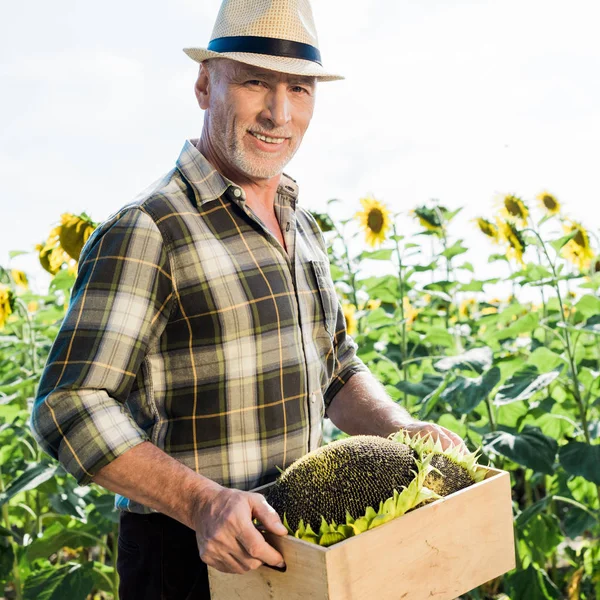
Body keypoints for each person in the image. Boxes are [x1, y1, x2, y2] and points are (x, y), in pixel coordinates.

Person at [29, 0, 466, 598]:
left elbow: (335, 368)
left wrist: (400, 428)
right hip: (186, 557)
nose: (278, 113)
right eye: (255, 82)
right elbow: (68, 403)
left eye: (300, 89)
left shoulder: (301, 225)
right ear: (205, 84)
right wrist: (203, 503)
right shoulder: (149, 227)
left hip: (302, 547)